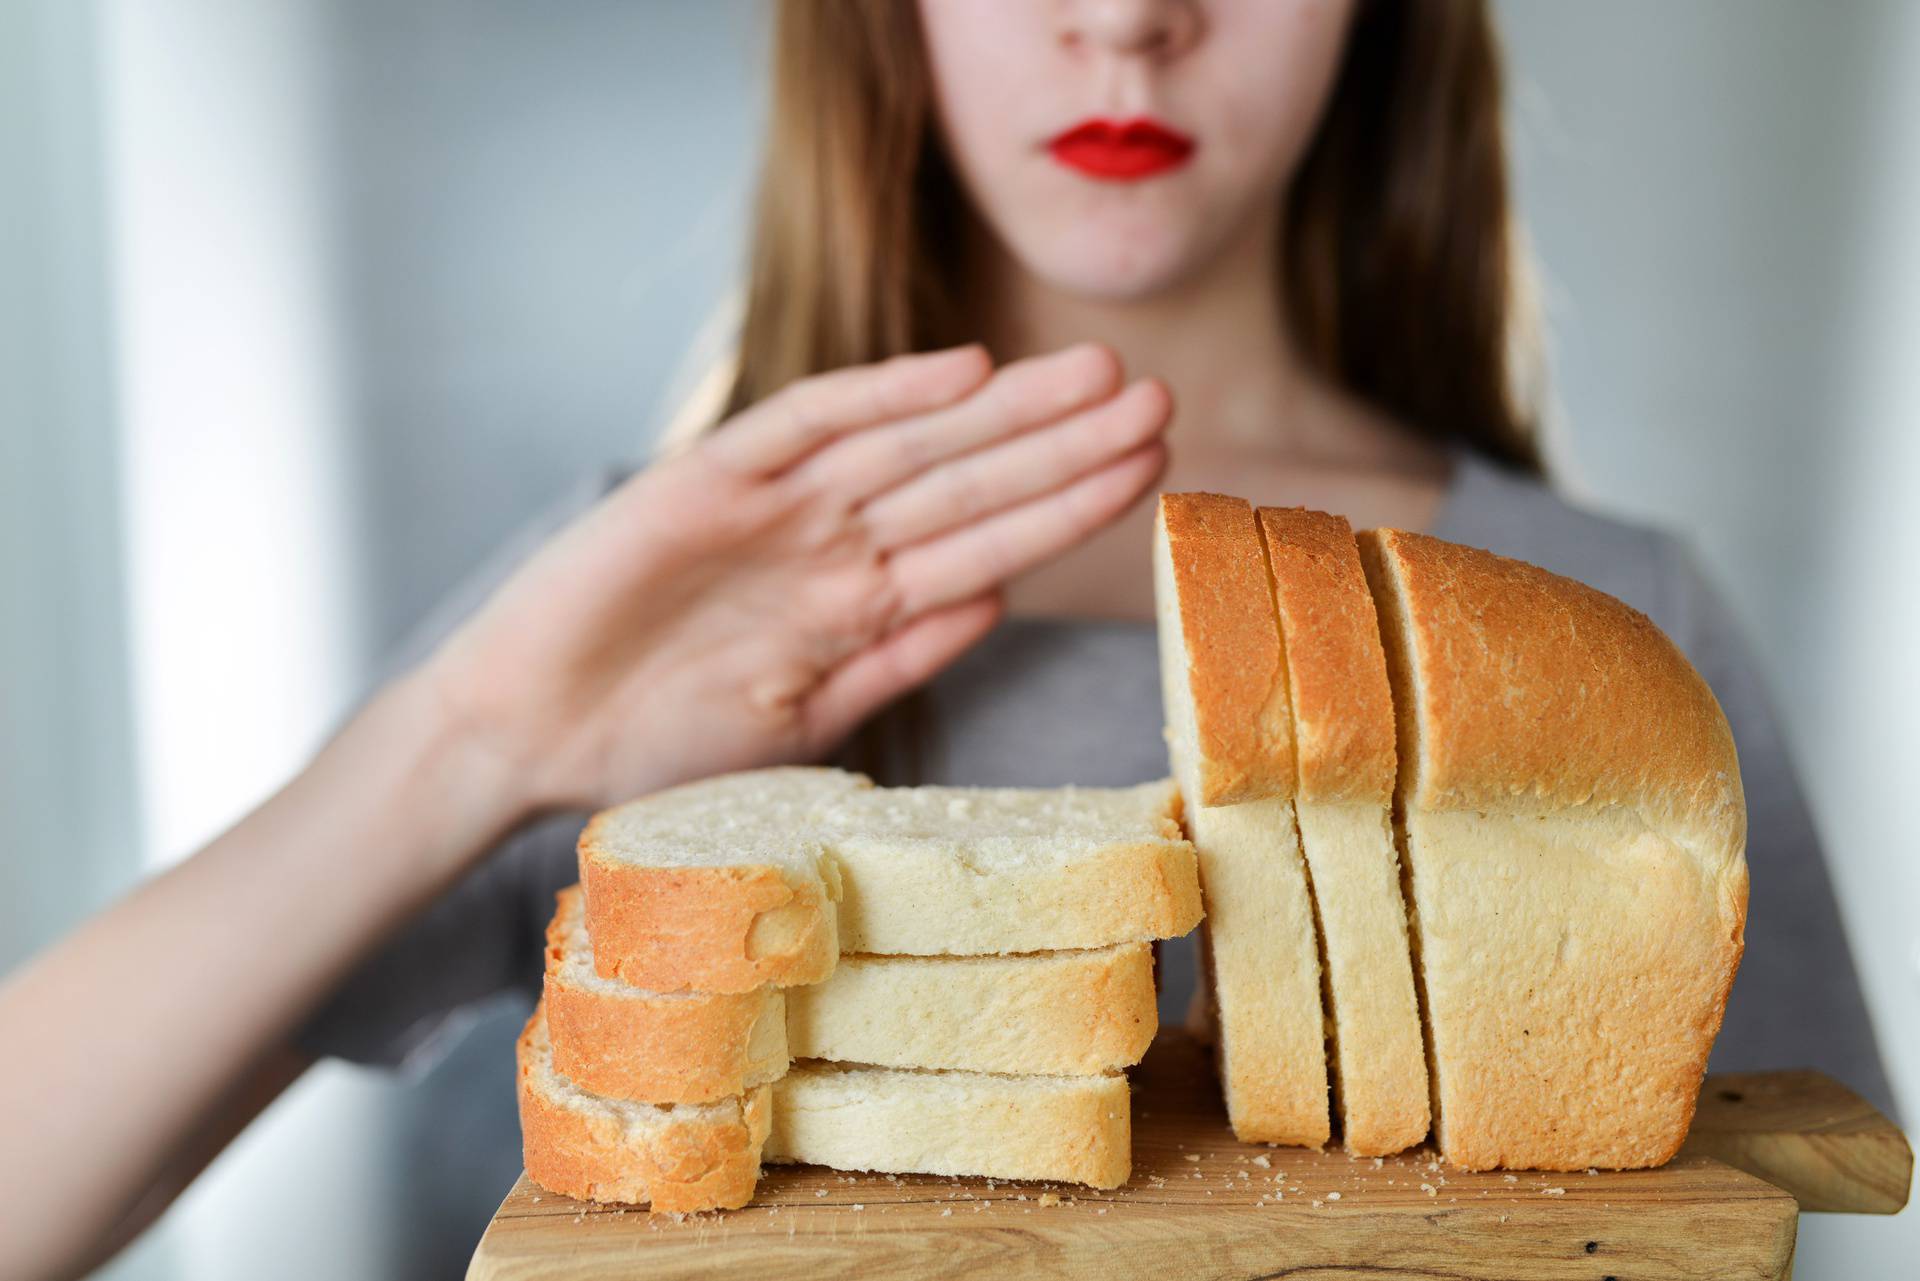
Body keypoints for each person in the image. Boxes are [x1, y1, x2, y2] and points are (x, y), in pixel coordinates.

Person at [0, 2, 1888, 1277]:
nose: (1130, 18)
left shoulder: (1625, 617)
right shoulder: (644, 589)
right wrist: (477, 735)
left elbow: (1764, 1207)